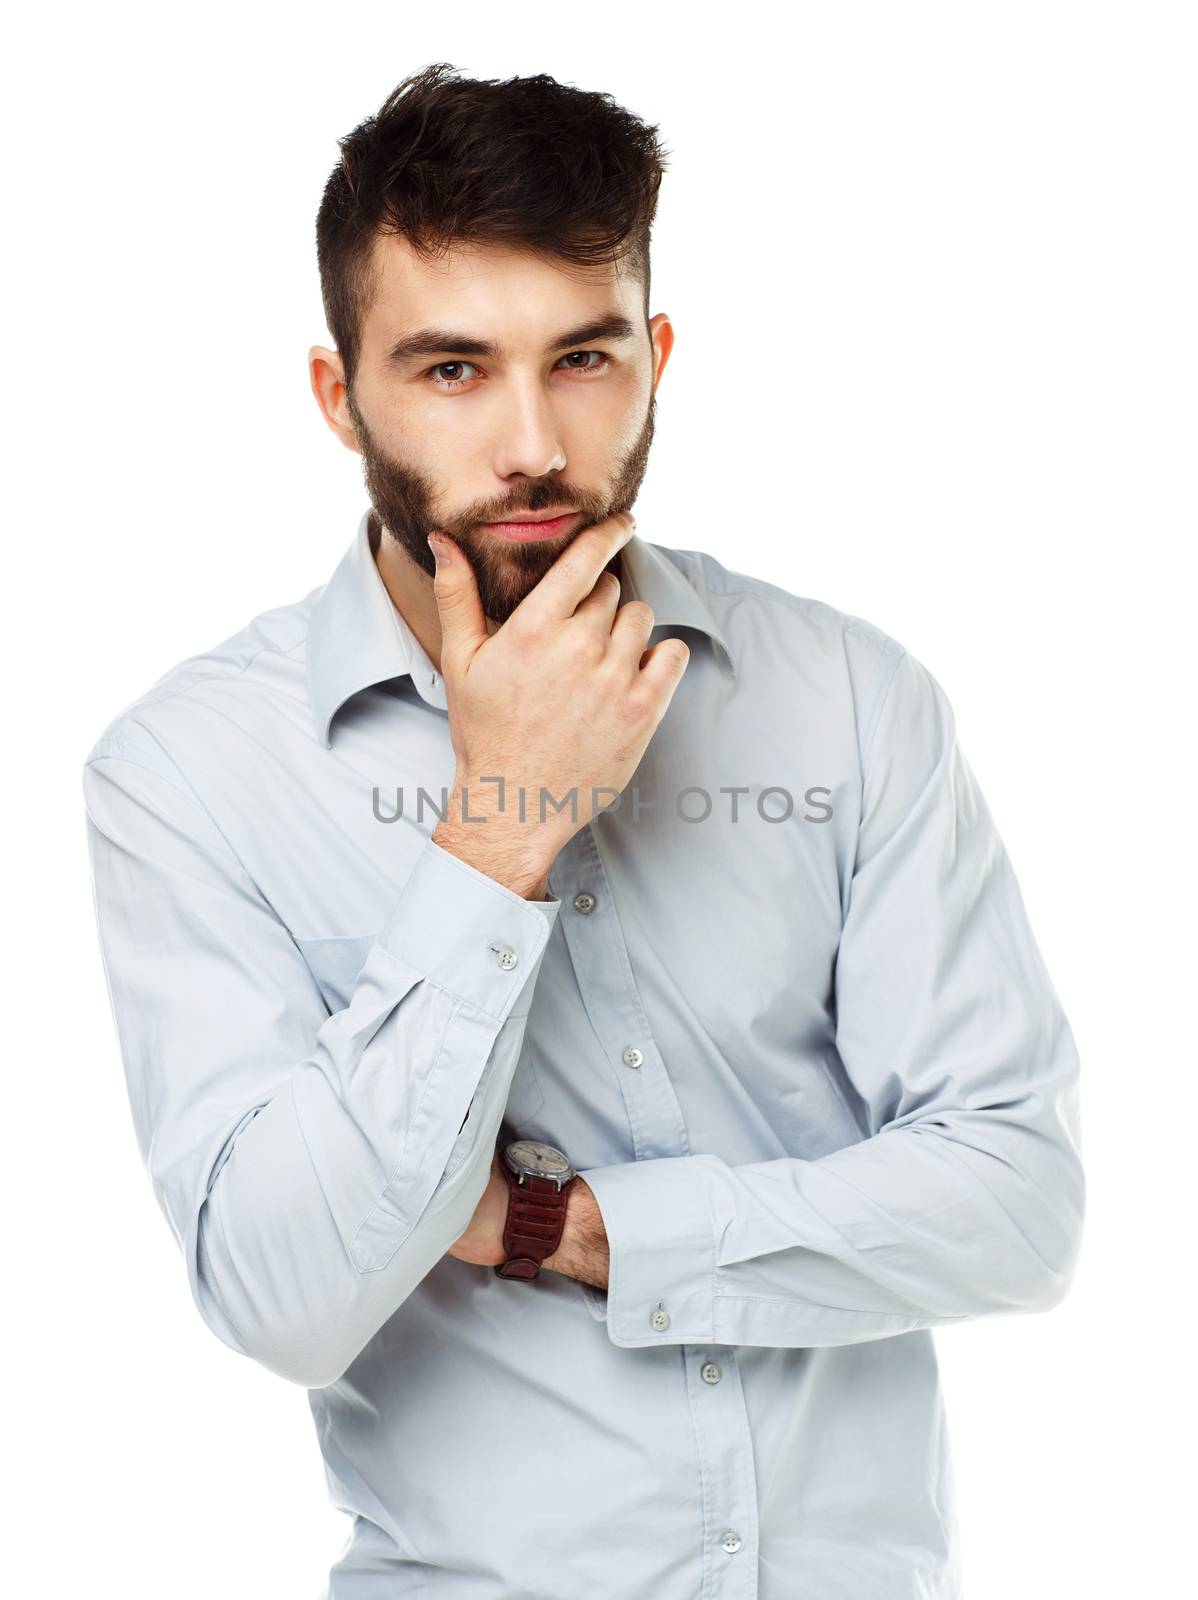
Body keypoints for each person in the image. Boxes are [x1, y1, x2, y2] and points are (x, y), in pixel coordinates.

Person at [81, 62, 1085, 1600]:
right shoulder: (189, 773)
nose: (535, 443)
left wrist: (568, 1227)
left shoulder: (850, 701)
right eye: (453, 369)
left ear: (656, 357)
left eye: (584, 357)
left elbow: (1017, 1205)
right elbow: (280, 1296)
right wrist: (498, 829)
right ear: (338, 394)